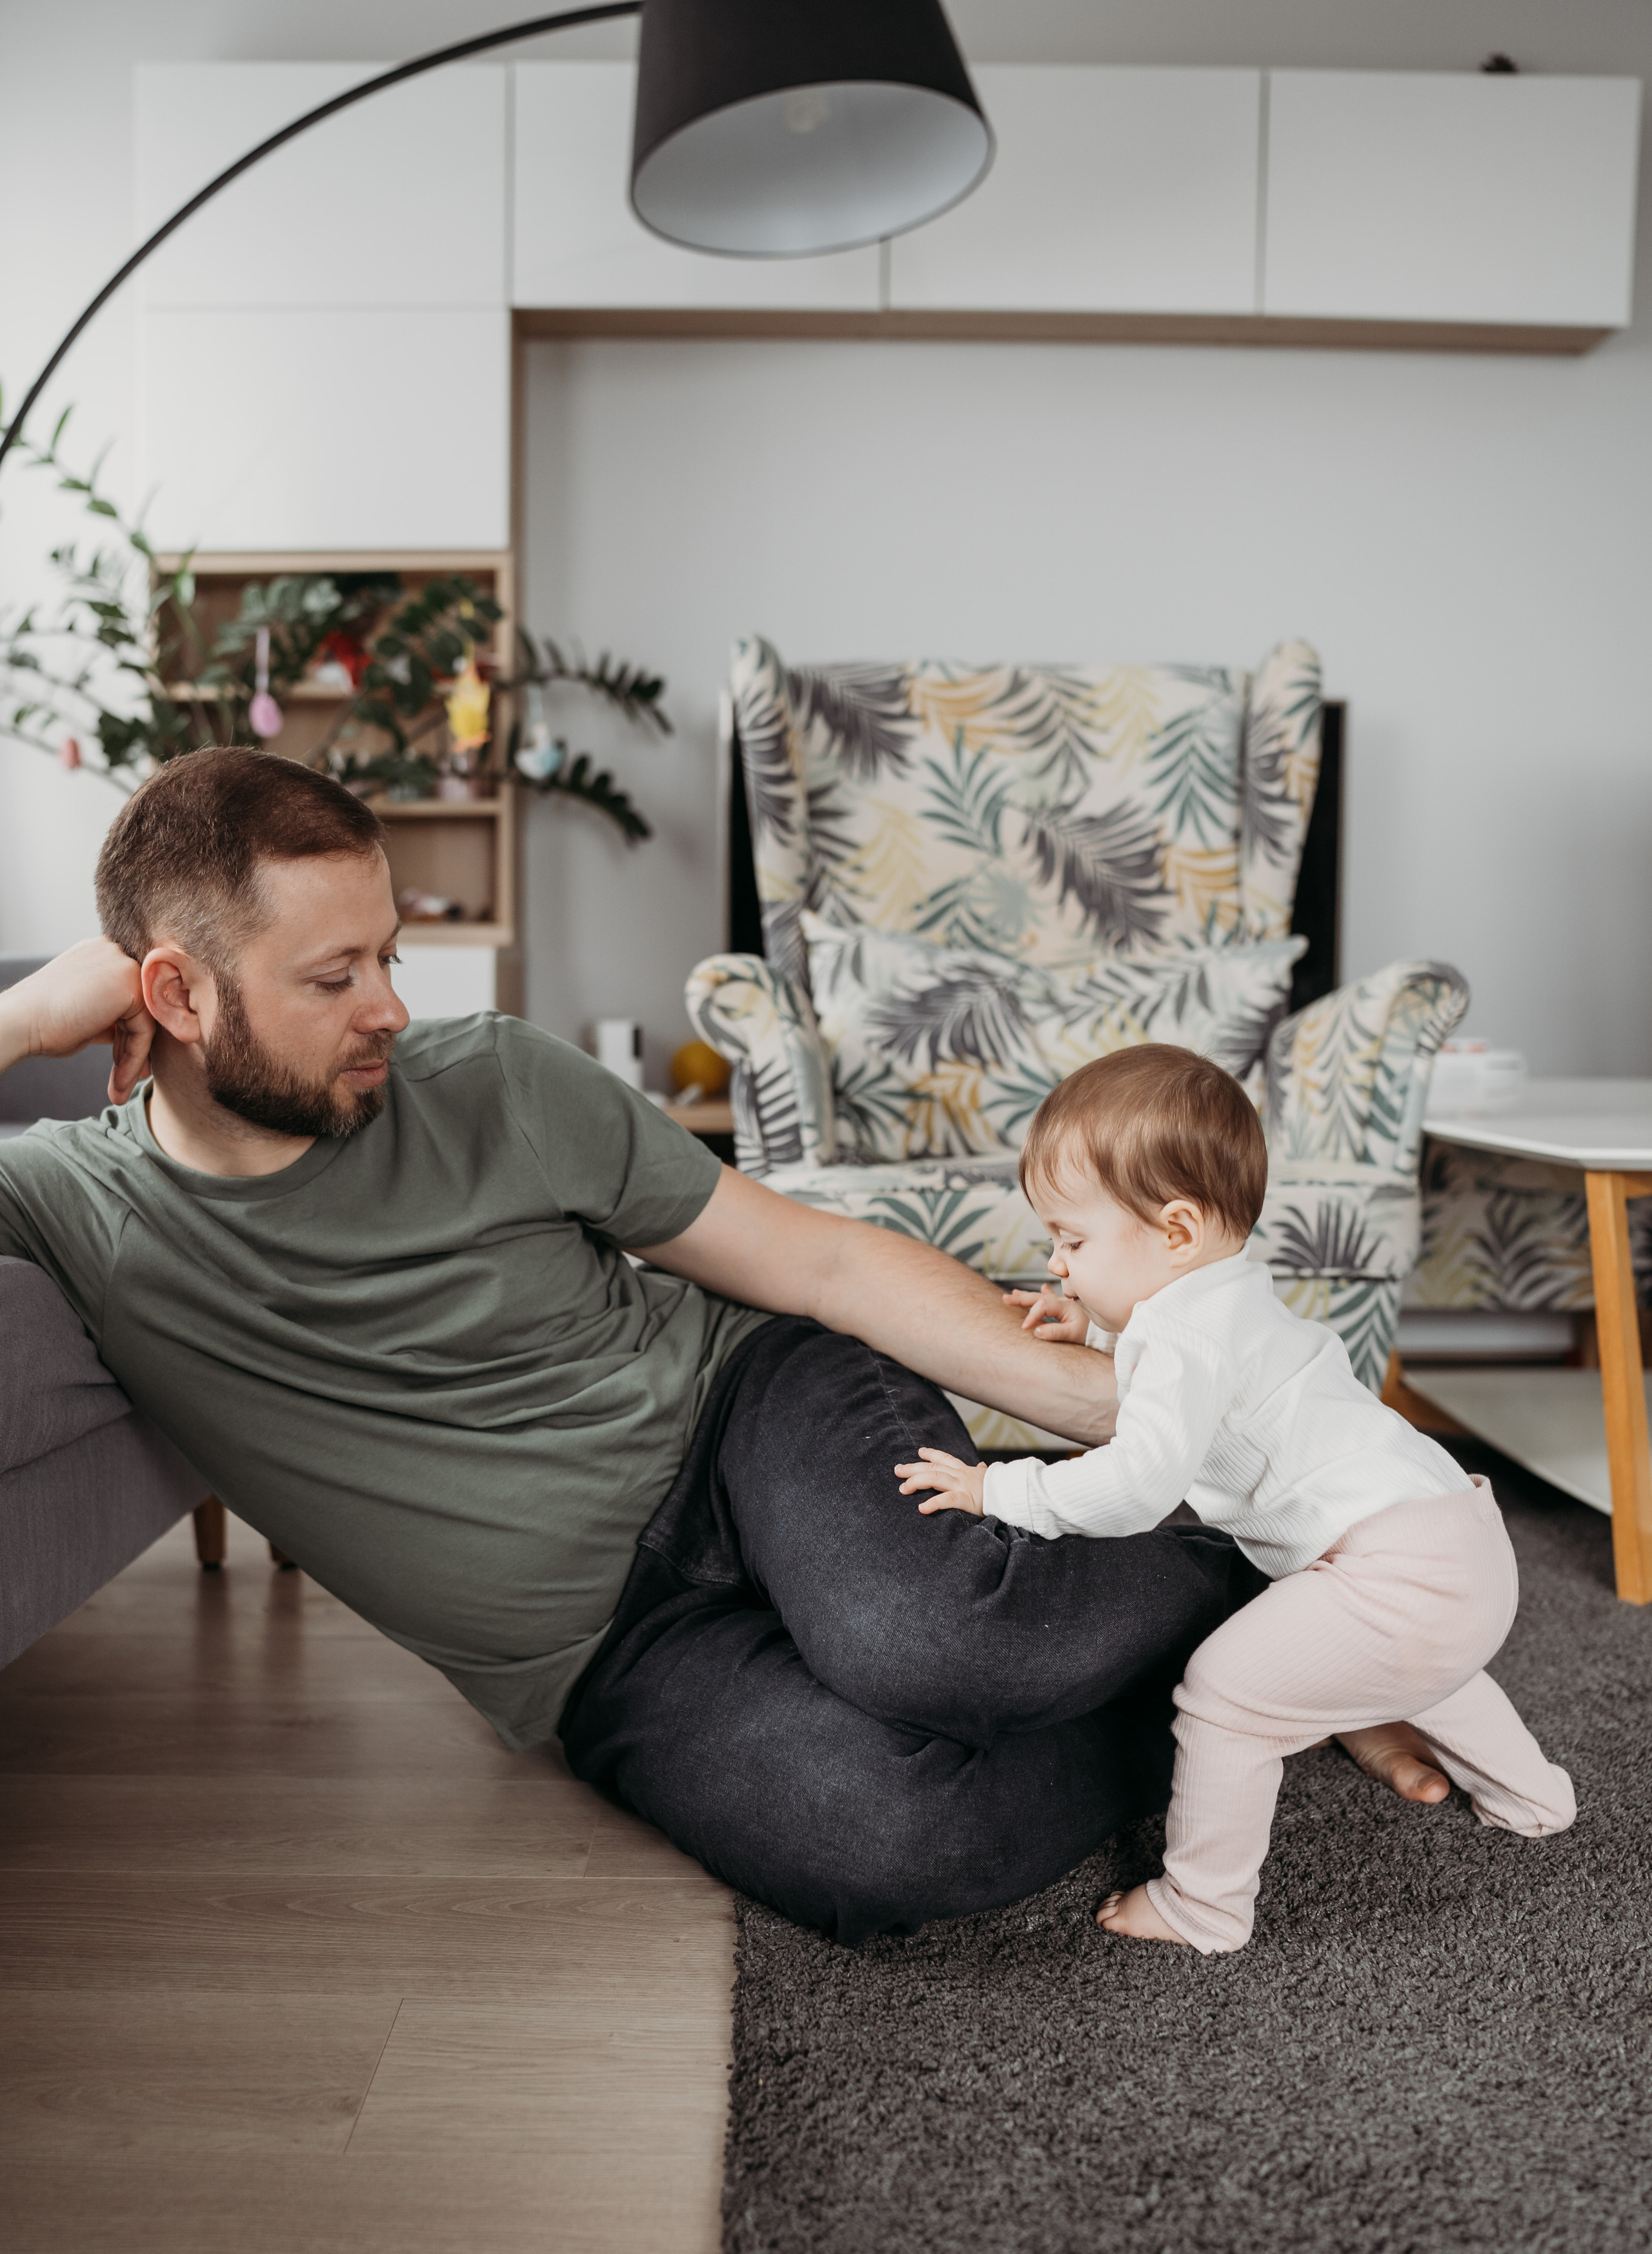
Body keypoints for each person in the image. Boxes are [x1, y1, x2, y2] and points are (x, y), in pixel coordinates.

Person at [0, 748, 1444, 1944]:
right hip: (610, 1658)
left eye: (388, 953)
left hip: (747, 1417)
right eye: (334, 979)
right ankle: (1258, 1687)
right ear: (175, 995)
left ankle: (1276, 1576)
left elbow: (818, 1259)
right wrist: (25, 1014)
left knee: (942, 1643)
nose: (391, 1006)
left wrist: (1155, 1423)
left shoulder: (493, 1079)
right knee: (896, 1847)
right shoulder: (79, 1209)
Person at [898, 1045, 1576, 1954]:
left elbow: (1136, 1487)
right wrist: (1100, 1326)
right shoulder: (1231, 1292)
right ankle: (1536, 1797)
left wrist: (1000, 1487)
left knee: (1223, 1696)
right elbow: (1190, 1359)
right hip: (1463, 1540)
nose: (1057, 1264)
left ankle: (1204, 1906)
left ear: (1176, 1232)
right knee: (1434, 1666)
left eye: (1073, 1242)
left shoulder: (1183, 1340)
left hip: (1397, 1571)